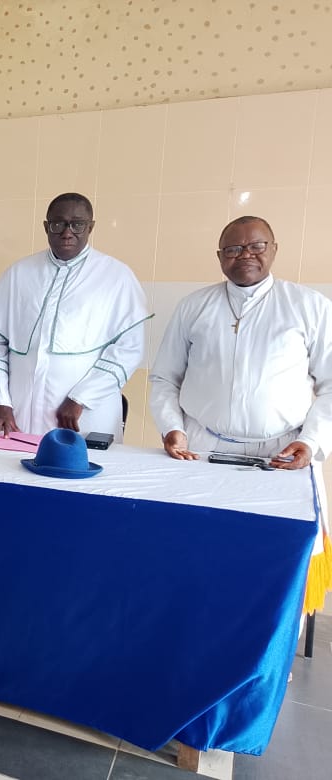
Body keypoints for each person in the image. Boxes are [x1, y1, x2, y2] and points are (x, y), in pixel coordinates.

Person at [149, 215, 332, 612]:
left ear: (274, 250)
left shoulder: (310, 307)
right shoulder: (194, 306)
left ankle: (269, 643)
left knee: (273, 565)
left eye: (256, 246)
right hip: (202, 447)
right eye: (233, 249)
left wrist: (311, 441)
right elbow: (164, 377)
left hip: (282, 453)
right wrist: (171, 428)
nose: (245, 255)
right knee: (201, 550)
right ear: (220, 257)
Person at [0, 193, 149, 440]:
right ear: (46, 227)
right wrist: (0, 401)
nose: (67, 232)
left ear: (90, 227)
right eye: (58, 224)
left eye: (77, 224)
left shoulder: (117, 277)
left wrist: (80, 398)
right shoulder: (19, 273)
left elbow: (128, 350)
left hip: (85, 414)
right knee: (15, 462)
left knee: (81, 464)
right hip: (18, 411)